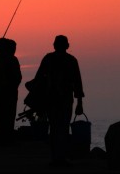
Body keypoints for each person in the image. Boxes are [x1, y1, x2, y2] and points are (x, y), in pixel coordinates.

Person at [34, 35, 84, 167]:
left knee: (55, 128)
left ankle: (56, 158)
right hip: (63, 100)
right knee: (62, 128)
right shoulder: (71, 60)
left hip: (52, 99)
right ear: (67, 46)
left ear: (54, 45)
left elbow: (38, 79)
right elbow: (78, 84)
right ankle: (60, 158)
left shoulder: (48, 59)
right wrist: (79, 103)